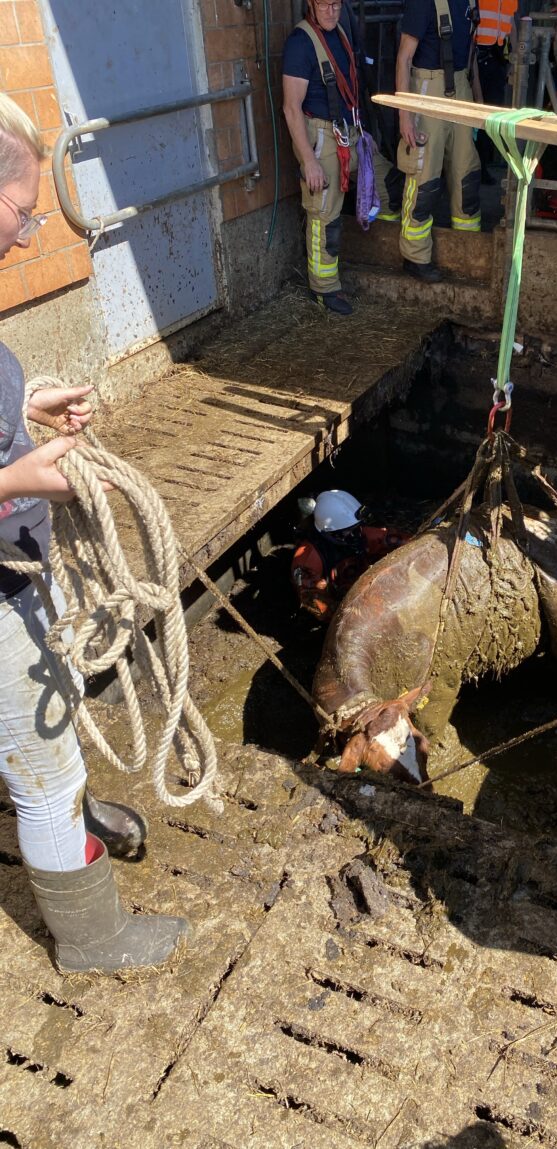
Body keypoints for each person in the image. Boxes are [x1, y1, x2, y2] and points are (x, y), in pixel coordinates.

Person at [0, 95, 188, 974]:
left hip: (17, 565)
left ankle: (68, 817)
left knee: (50, 709)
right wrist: (18, 477)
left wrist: (26, 406)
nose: (30, 234)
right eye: (22, 212)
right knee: (44, 763)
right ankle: (91, 937)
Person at [282, 0, 402, 316]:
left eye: (336, 3)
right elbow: (291, 108)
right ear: (311, 4)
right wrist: (309, 161)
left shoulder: (341, 33)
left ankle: (384, 251)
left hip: (350, 131)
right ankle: (324, 288)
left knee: (389, 183)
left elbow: (348, 90)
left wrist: (362, 132)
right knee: (325, 214)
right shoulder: (300, 42)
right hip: (321, 137)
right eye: (324, 4)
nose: (331, 10)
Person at [395, 0, 482, 282]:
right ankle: (415, 256)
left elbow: (471, 51)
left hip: (462, 87)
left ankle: (468, 251)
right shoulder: (423, 3)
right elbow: (404, 58)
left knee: (466, 173)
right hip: (426, 91)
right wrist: (405, 115)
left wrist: (477, 98)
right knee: (425, 178)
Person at [291, 490, 409, 621]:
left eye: (357, 528)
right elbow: (314, 602)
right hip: (342, 606)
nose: (356, 535)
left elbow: (393, 539)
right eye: (349, 531)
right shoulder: (307, 560)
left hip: (364, 589)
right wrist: (356, 615)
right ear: (331, 534)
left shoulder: (356, 534)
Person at [473, 0, 517, 184]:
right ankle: (470, 168)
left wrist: (515, 58)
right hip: (476, 56)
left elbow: (511, 22)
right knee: (474, 114)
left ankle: (482, 167)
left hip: (498, 58)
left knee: (491, 116)